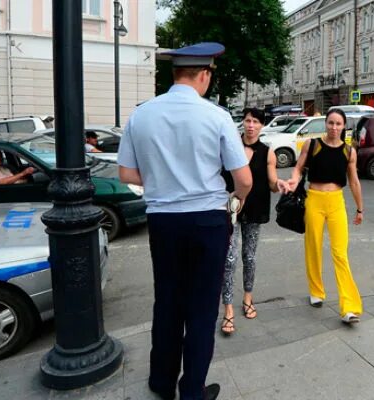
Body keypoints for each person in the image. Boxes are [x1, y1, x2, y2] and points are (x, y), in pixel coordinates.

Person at [117, 42, 252, 400]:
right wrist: (237, 201)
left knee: (168, 302)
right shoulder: (217, 116)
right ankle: (192, 390)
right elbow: (245, 180)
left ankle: (161, 383)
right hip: (207, 220)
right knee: (203, 307)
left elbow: (126, 172)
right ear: (204, 75)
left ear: (174, 74)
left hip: (163, 222)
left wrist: (164, 180)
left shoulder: (141, 114)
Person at [279, 108, 364, 324]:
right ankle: (316, 291)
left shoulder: (349, 151)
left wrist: (360, 209)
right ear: (325, 124)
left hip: (336, 202)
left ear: (344, 126)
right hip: (314, 200)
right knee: (313, 246)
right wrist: (293, 180)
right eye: (331, 123)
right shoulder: (312, 144)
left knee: (340, 253)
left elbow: (353, 181)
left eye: (338, 124)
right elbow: (298, 168)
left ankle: (349, 307)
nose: (334, 127)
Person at [220, 108, 284, 335]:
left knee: (249, 256)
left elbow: (272, 182)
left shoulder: (268, 153)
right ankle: (228, 308)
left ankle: (248, 297)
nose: (250, 125)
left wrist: (281, 186)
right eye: (247, 120)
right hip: (230, 209)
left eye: (255, 121)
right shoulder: (229, 147)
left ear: (261, 125)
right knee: (229, 258)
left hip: (255, 210)